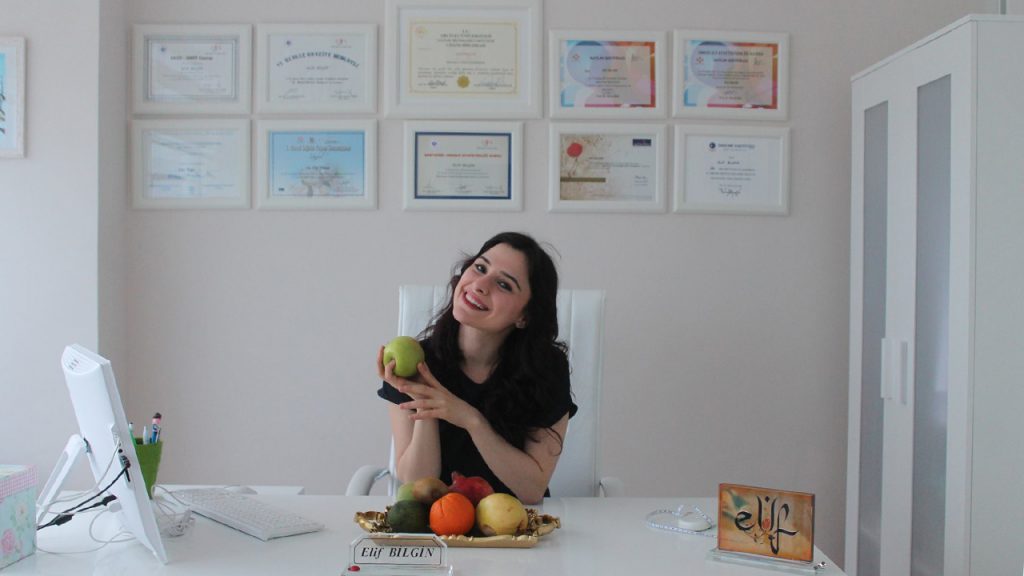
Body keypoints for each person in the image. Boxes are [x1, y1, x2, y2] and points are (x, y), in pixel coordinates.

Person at [377, 232, 577, 504]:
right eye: (480, 268)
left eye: (504, 284)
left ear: (524, 315)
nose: (480, 285)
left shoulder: (546, 369)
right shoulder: (416, 364)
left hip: (516, 522)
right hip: (441, 521)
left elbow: (531, 491)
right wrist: (424, 401)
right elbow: (417, 486)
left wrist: (471, 420)